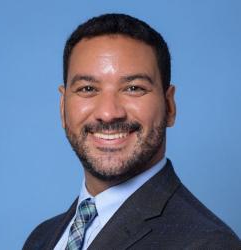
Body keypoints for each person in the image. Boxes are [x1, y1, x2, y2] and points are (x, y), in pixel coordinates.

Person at [23, 13, 241, 250]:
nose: (108, 113)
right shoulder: (41, 238)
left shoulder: (209, 244)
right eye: (88, 88)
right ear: (63, 107)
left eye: (133, 88)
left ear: (169, 106)